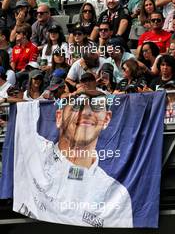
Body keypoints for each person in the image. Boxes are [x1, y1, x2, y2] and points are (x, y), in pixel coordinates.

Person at [13, 94, 133, 227]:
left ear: (107, 119)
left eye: (96, 107)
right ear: (59, 117)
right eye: (77, 105)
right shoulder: (34, 151)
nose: (86, 112)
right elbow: (24, 115)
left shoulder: (117, 194)